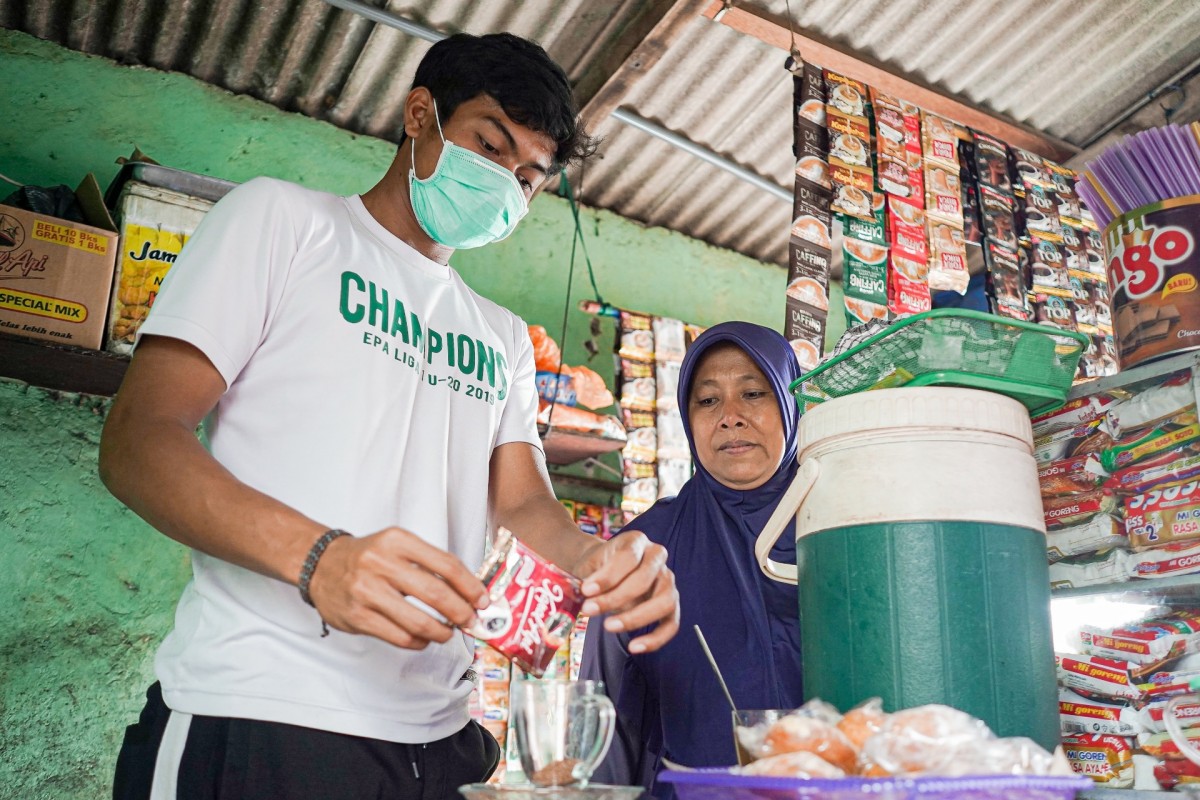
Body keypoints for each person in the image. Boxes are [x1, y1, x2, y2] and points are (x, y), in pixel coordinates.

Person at [99, 32, 679, 800]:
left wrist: (595, 560)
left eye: (528, 177)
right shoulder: (283, 223)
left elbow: (523, 502)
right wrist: (319, 558)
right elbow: (138, 440)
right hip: (257, 712)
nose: (504, 181)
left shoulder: (500, 336)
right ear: (419, 116)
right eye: (488, 144)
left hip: (439, 744)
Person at [580, 321, 804, 799]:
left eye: (754, 393)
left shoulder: (843, 528)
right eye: (708, 400)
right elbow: (606, 720)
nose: (730, 417)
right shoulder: (646, 549)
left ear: (790, 404)